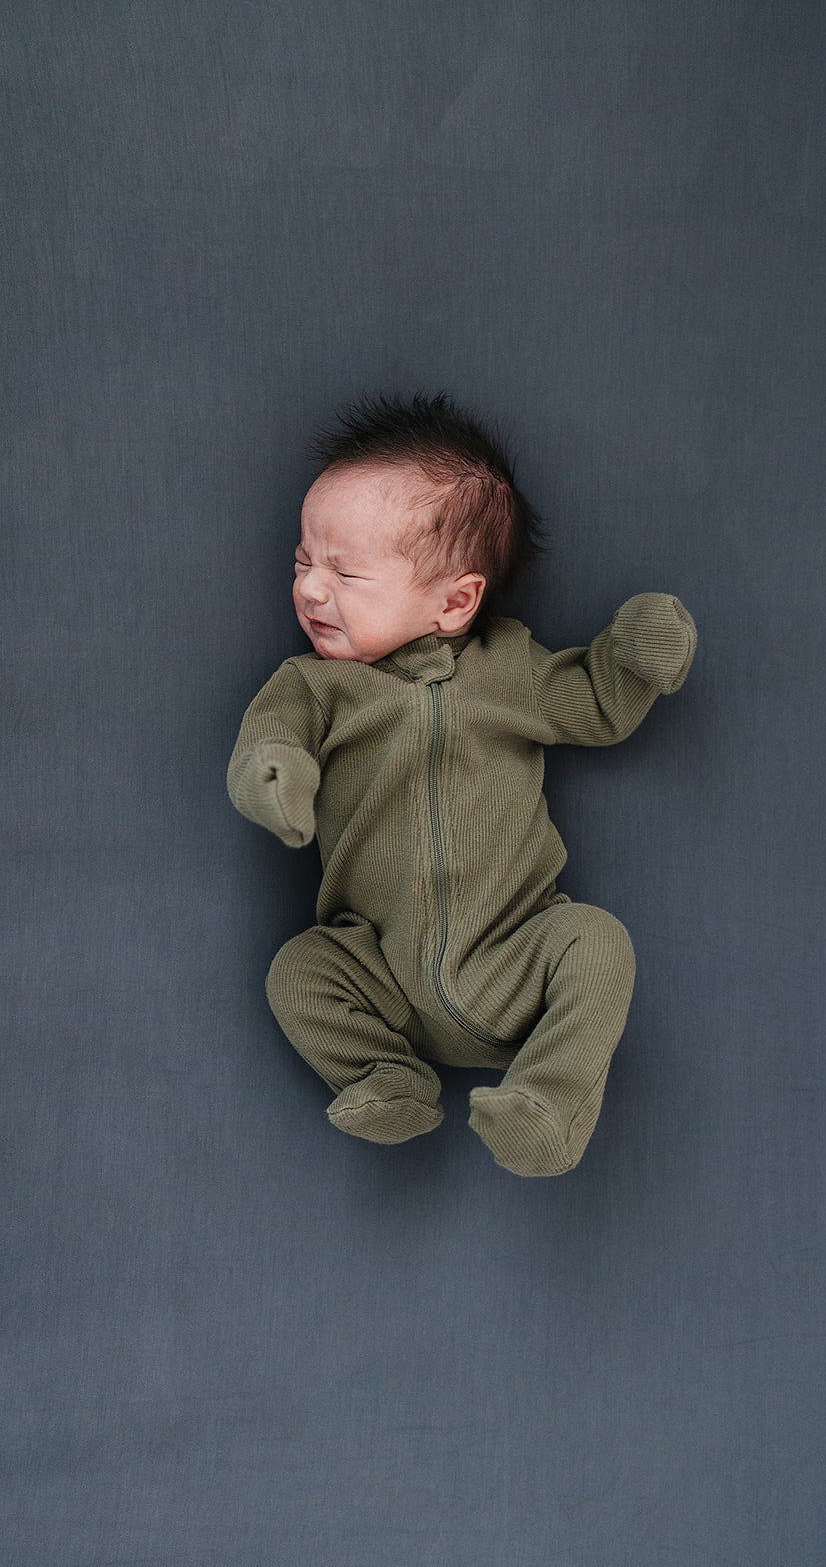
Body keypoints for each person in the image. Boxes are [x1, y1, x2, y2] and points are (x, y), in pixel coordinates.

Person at [226, 391, 697, 1176]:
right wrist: (272, 776)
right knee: (296, 972)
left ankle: (547, 1104)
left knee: (598, 945)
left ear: (454, 601)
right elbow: (269, 739)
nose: (311, 590)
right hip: (378, 970)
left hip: (514, 960)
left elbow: (591, 705)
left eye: (346, 572)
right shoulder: (313, 686)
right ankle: (385, 1076)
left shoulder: (508, 669)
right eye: (304, 560)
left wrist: (632, 658)